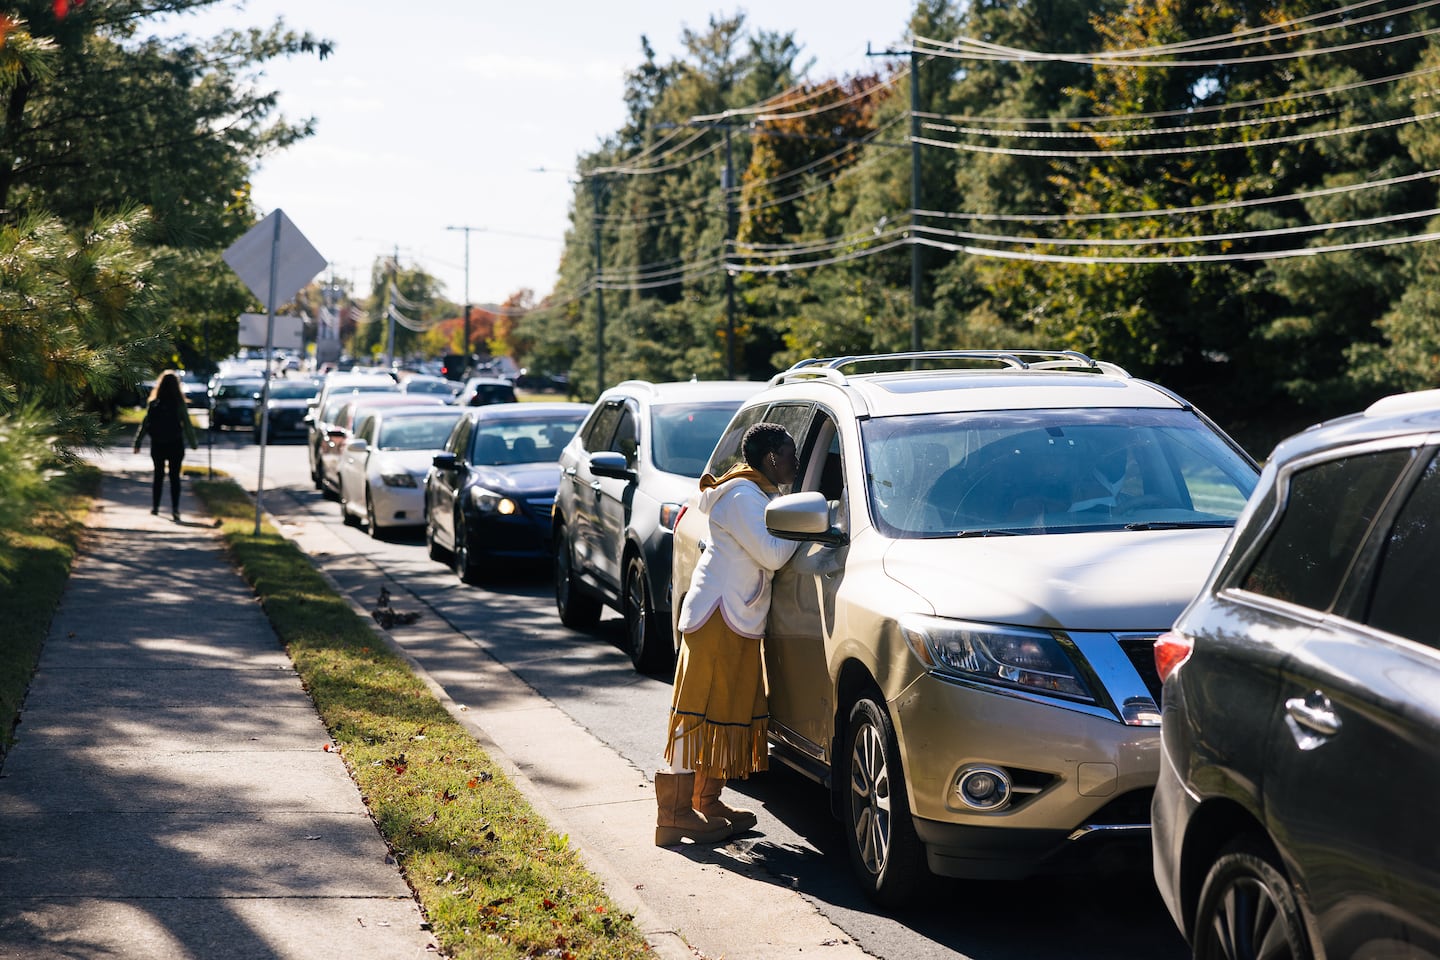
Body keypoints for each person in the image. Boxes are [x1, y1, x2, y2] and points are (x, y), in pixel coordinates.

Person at [657, 422, 800, 845]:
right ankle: (674, 814)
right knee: (696, 713)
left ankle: (707, 800)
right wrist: (804, 523)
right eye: (791, 453)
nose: (796, 461)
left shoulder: (756, 493)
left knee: (726, 711)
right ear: (771, 457)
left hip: (735, 617)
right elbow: (773, 554)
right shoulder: (741, 496)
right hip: (718, 618)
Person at [133, 370, 199, 521]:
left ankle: (155, 507)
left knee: (158, 476)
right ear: (177, 386)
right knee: (175, 477)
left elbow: (145, 424)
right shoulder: (179, 404)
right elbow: (187, 425)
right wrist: (194, 443)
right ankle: (175, 509)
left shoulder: (154, 403)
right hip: (175, 444)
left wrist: (138, 442)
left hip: (158, 444)